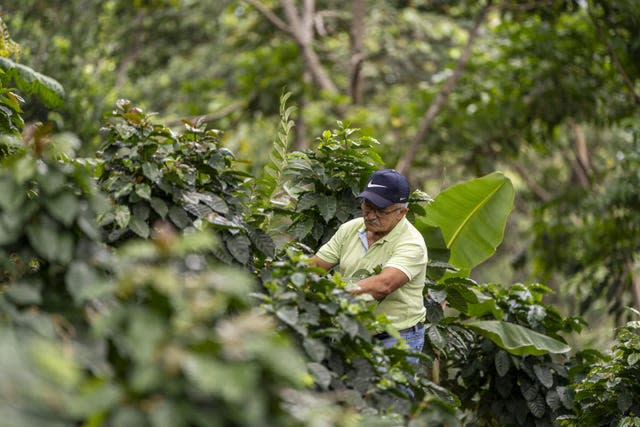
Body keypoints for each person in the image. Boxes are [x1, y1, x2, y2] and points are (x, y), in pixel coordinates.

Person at [310, 169, 428, 355]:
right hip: (352, 332)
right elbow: (315, 267)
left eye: (381, 210)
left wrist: (331, 297)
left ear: (402, 212)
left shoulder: (412, 244)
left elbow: (383, 285)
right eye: (367, 206)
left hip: (395, 338)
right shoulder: (350, 229)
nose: (370, 215)